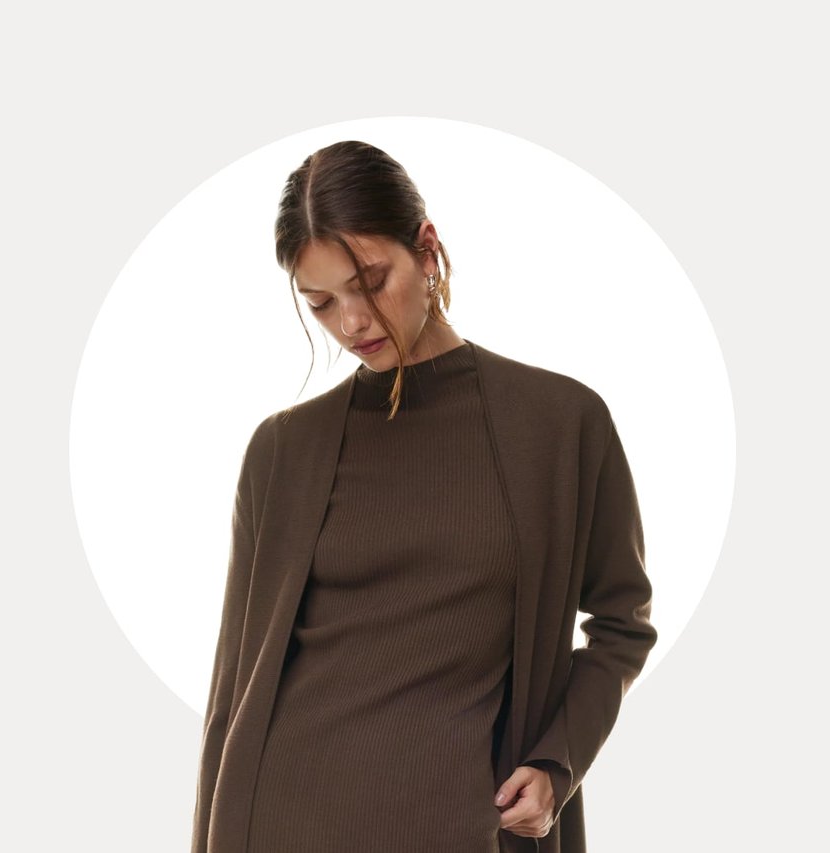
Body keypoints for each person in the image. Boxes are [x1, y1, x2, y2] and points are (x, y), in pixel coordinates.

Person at [190, 141, 657, 853]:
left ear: (427, 249)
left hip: (463, 827)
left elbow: (623, 624)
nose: (352, 322)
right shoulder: (283, 450)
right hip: (282, 821)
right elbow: (233, 696)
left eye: (371, 282)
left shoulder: (560, 424)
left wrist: (556, 763)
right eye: (321, 303)